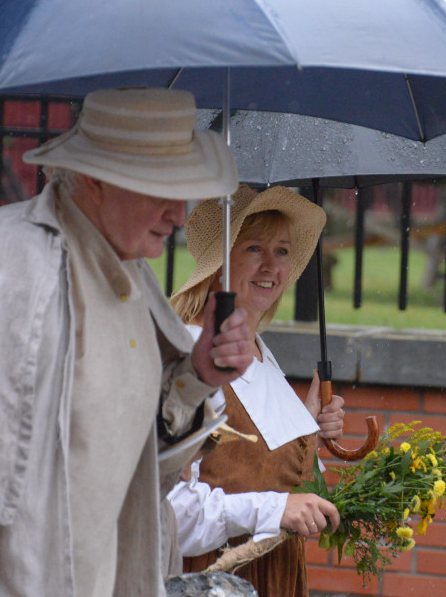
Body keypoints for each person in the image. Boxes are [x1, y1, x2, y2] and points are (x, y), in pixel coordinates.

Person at [0, 88, 254, 596]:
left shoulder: (127, 273)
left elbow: (131, 469)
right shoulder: (7, 266)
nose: (179, 213)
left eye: (184, 191)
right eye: (159, 189)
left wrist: (196, 376)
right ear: (95, 181)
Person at [167, 184, 344, 597]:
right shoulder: (190, 354)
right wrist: (274, 509)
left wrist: (309, 433)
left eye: (282, 251)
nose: (272, 266)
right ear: (218, 264)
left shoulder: (261, 352)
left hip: (274, 578)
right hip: (215, 581)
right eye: (253, 248)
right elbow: (173, 514)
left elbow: (272, 478)